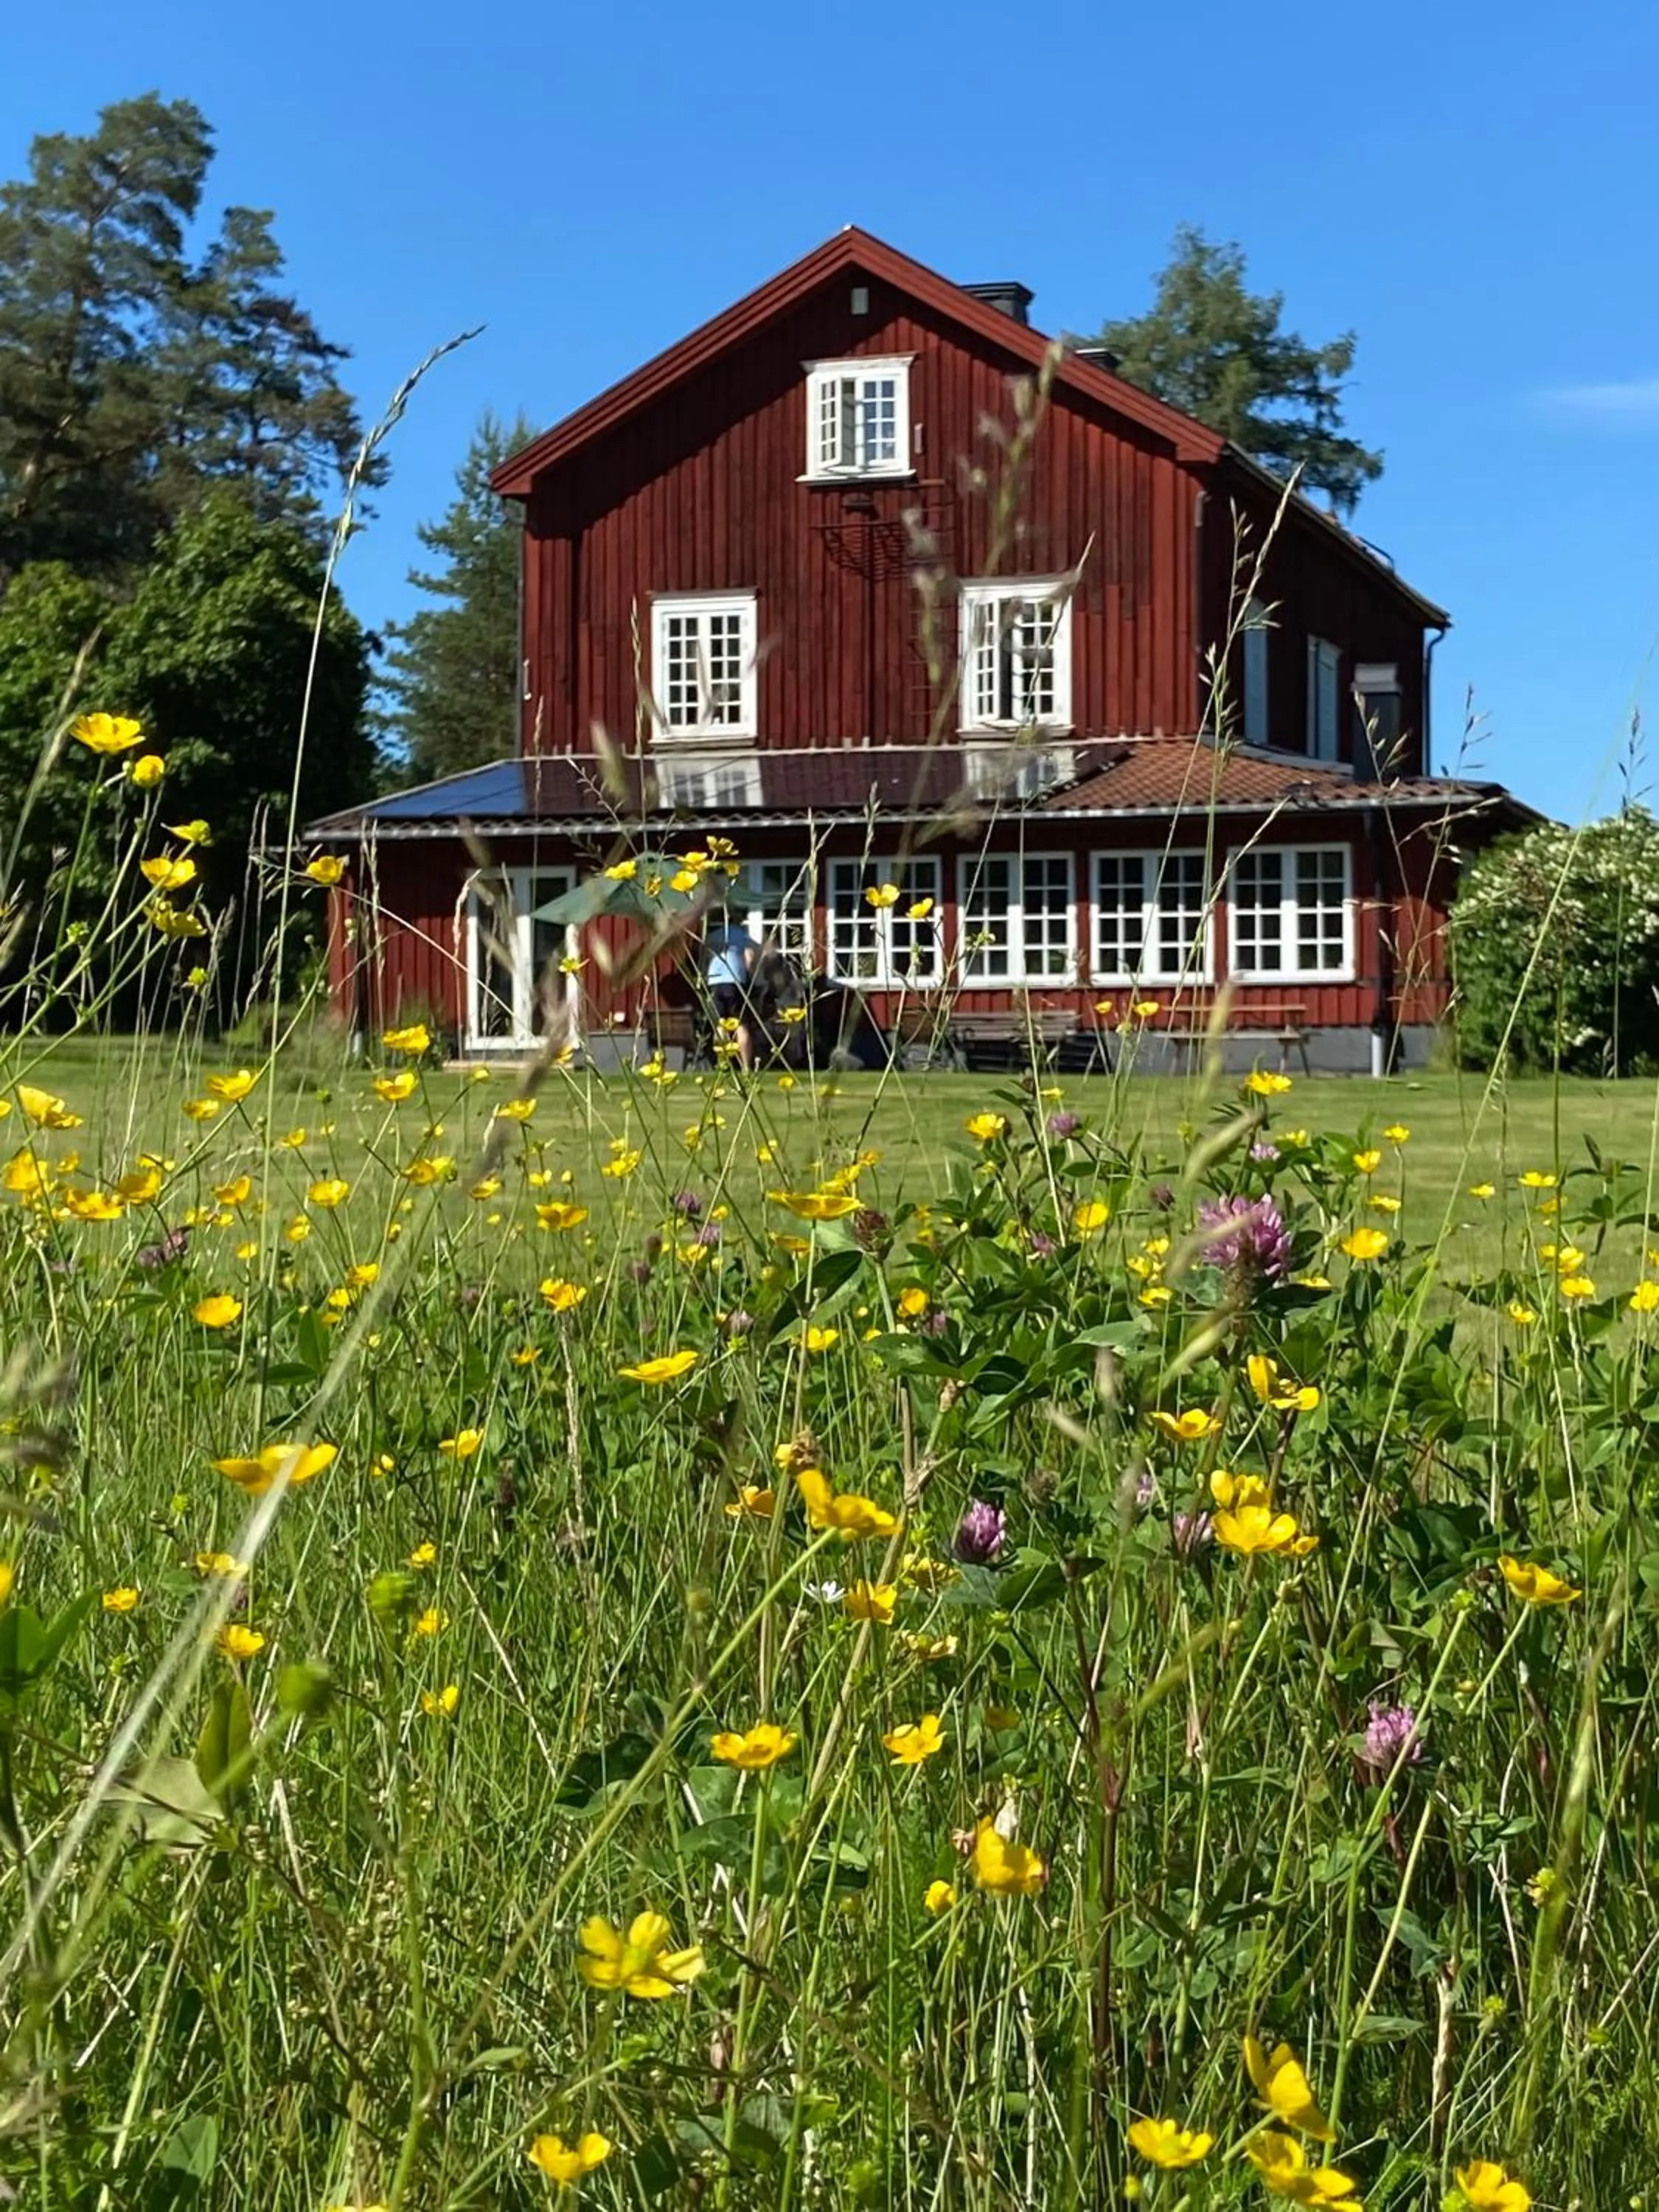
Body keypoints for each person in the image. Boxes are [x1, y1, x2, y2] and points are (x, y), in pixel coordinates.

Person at [702, 906, 759, 1071]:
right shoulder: (742, 936)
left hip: (715, 981)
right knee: (741, 1024)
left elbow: (705, 958)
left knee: (720, 1024)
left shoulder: (713, 937)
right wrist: (750, 974)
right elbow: (750, 958)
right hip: (735, 981)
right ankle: (746, 1067)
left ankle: (723, 1064)